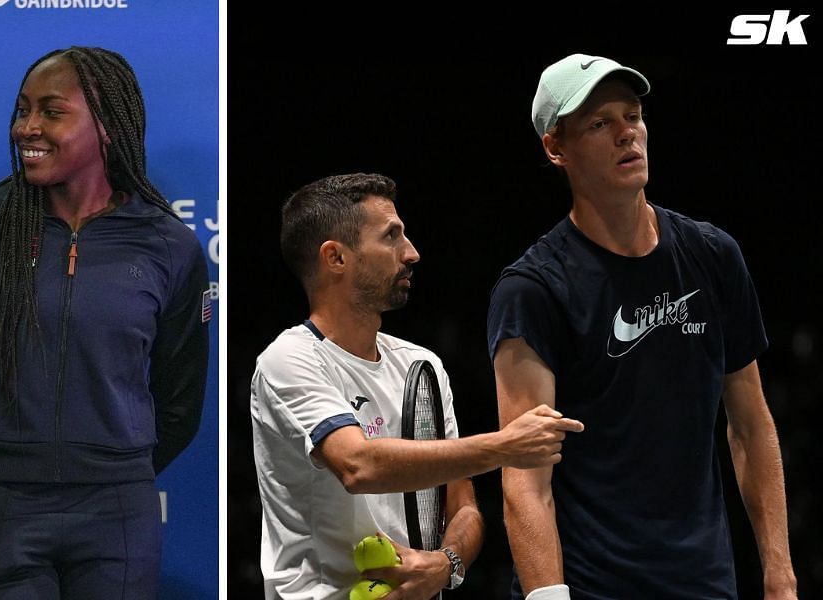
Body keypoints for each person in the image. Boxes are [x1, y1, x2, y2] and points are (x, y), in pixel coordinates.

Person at [488, 53, 798, 600]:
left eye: (632, 115)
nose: (626, 133)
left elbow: (751, 424)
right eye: (600, 123)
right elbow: (525, 478)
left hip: (704, 583)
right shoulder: (532, 289)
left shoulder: (713, 255)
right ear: (555, 148)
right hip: (592, 586)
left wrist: (780, 575)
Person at [0, 46, 210, 599]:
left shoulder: (169, 245)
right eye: (22, 111)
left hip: (118, 514)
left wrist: (112, 469)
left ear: (108, 127)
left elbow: (181, 402)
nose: (27, 128)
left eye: (51, 111)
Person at [250, 172, 583, 600]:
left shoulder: (420, 365)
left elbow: (462, 506)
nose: (412, 253)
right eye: (391, 237)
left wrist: (447, 564)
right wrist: (504, 446)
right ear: (336, 258)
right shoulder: (289, 360)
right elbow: (357, 465)